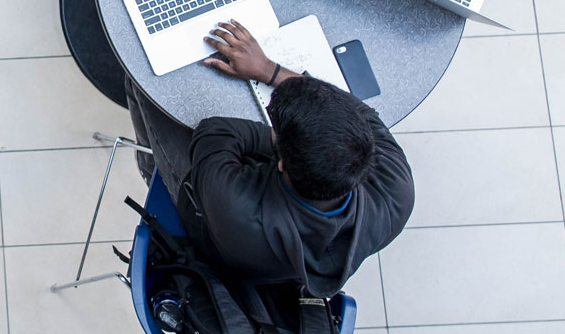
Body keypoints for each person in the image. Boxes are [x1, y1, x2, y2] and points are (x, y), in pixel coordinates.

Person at [129, 20, 414, 298]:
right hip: (275, 257)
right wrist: (268, 70)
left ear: (280, 162)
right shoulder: (395, 192)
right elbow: (354, 109)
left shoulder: (237, 207)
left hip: (214, 221)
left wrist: (288, 140)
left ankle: (150, 168)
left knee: (143, 85)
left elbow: (215, 131)